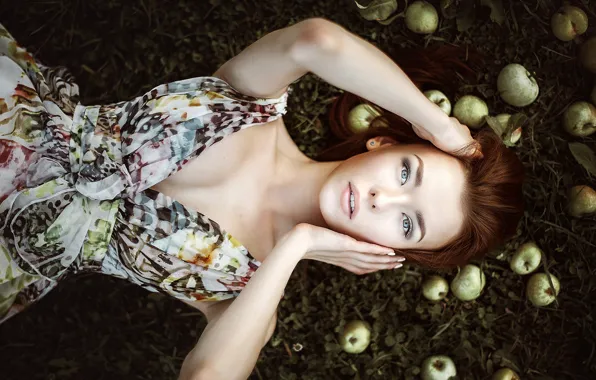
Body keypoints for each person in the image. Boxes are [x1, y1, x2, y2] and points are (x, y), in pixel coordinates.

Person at [0, 17, 524, 380]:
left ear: (392, 255)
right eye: (406, 172)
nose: (382, 200)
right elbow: (315, 42)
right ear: (384, 142)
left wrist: (294, 246)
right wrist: (437, 124)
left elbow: (205, 374)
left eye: (408, 225)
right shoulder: (252, 103)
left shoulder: (246, 286)